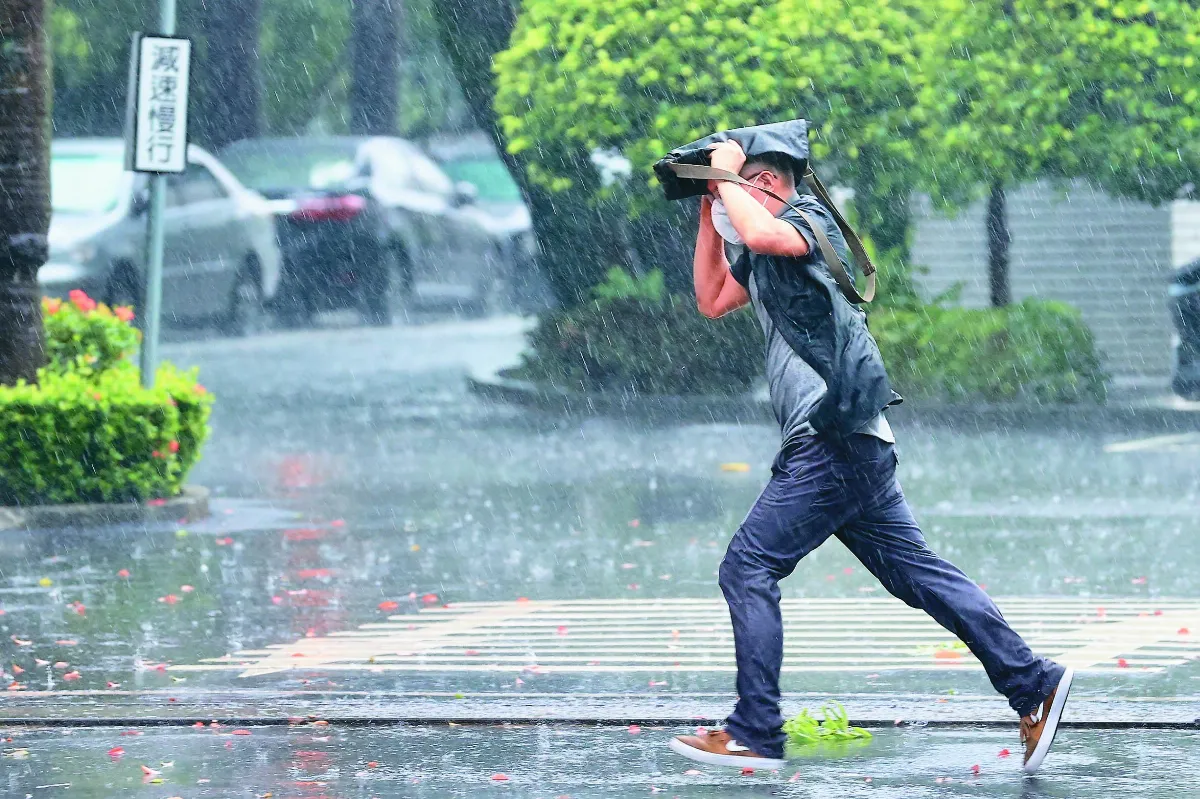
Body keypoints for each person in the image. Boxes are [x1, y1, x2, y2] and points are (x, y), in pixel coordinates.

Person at [667, 139, 1073, 775]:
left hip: (831, 438)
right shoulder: (762, 238)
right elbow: (712, 298)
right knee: (917, 574)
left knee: (747, 565)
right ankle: (1034, 682)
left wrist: (726, 179)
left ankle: (755, 731)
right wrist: (707, 207)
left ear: (767, 180)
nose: (726, 199)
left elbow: (767, 236)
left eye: (738, 185)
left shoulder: (805, 221)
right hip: (853, 445)